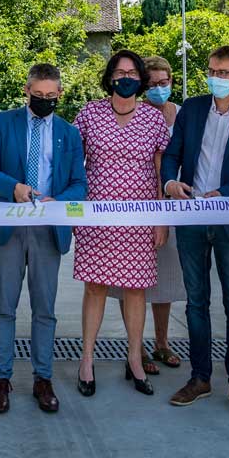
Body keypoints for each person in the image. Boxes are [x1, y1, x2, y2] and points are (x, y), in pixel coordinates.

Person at [161, 46, 229, 421]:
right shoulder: (192, 109)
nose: (217, 77)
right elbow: (173, 154)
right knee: (196, 302)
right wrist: (170, 182)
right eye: (212, 70)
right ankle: (200, 377)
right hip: (193, 218)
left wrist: (226, 193)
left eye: (224, 72)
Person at [0, 63, 87, 415]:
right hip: (8, 224)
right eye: (38, 95)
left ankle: (43, 378)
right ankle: (1, 378)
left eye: (51, 96)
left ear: (59, 95)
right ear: (26, 91)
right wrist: (13, 187)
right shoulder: (3, 122)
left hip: (47, 228)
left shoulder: (69, 133)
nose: (44, 101)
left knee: (45, 309)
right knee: (4, 306)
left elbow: (79, 183)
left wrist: (59, 202)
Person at [72, 50, 169, 397]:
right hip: (97, 215)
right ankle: (86, 360)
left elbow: (160, 170)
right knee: (94, 287)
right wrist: (73, 211)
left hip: (140, 217)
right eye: (119, 72)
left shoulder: (153, 120)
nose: (125, 77)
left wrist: (161, 219)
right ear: (110, 77)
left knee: (135, 290)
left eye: (132, 72)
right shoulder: (90, 113)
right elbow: (74, 161)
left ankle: (134, 359)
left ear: (140, 78)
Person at [108, 56, 185, 375]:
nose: (157, 88)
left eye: (163, 82)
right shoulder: (132, 112)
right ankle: (135, 346)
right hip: (132, 209)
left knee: (164, 280)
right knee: (131, 282)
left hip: (169, 204)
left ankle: (162, 342)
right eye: (151, 83)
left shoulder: (180, 114)